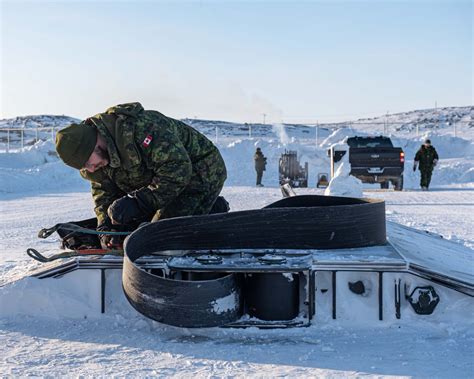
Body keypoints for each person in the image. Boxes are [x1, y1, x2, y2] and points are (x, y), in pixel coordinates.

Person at [55, 102, 227, 248]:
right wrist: (106, 226)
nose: (90, 169)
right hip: (153, 179)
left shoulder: (142, 129)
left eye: (87, 163)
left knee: (159, 238)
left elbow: (177, 170)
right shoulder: (97, 161)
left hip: (200, 172)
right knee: (138, 228)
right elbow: (103, 192)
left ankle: (210, 209)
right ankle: (197, 211)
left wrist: (139, 202)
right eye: (84, 168)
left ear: (93, 145)